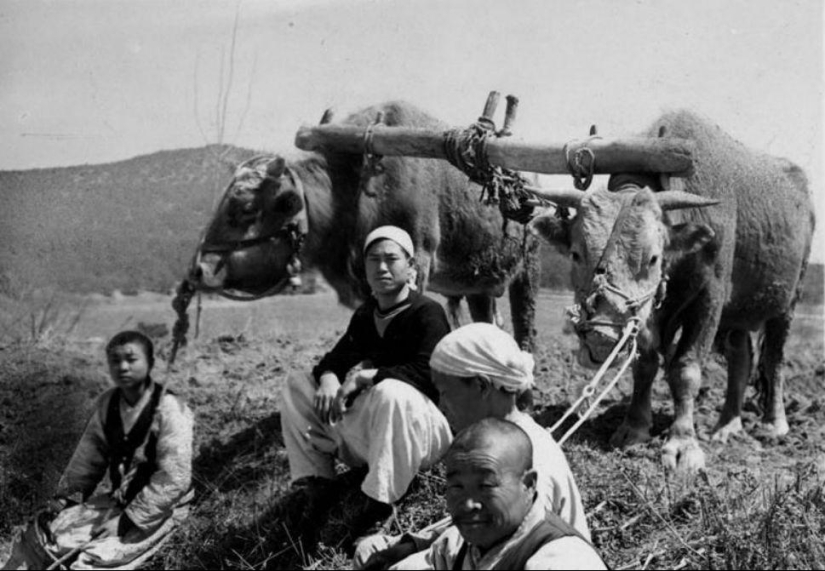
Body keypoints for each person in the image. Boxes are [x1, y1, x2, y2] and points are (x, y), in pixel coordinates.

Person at [354, 322, 590, 569]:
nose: (441, 405)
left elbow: (506, 550)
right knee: (371, 550)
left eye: (445, 392)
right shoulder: (491, 442)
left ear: (481, 386)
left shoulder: (528, 456)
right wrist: (413, 545)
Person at [280, 225, 453, 532]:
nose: (382, 267)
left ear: (411, 265)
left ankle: (381, 505)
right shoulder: (367, 314)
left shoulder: (428, 312)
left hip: (422, 432)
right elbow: (334, 360)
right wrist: (329, 378)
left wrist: (366, 377)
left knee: (391, 392)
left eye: (392, 259)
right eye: (374, 259)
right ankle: (319, 483)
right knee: (297, 384)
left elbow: (431, 375)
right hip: (382, 430)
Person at [2, 331, 194, 570]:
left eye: (132, 359)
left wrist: (126, 522)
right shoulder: (109, 406)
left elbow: (174, 479)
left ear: (149, 363)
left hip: (158, 510)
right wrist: (65, 500)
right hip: (117, 501)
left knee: (92, 560)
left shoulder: (171, 410)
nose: (123, 367)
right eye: (115, 360)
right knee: (39, 538)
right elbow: (86, 463)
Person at [398, 418, 606, 569]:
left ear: (529, 484)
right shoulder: (459, 547)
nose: (468, 504)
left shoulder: (560, 560)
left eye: (486, 486)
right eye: (457, 487)